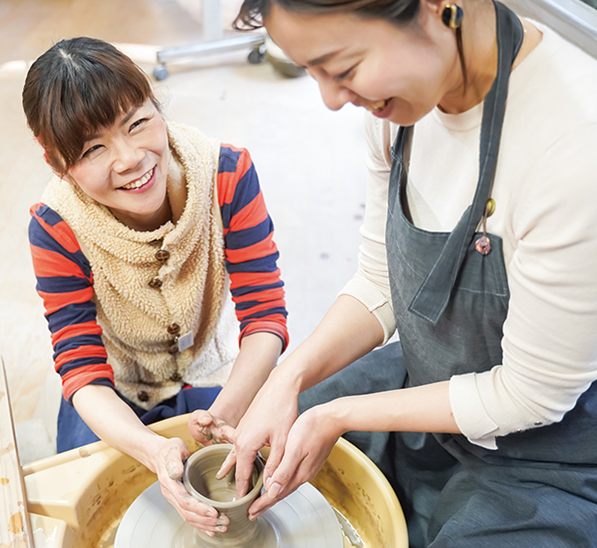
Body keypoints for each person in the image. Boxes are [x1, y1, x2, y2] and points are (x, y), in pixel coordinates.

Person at [221, 0, 597, 546]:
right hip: (432, 381)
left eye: (343, 69)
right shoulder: (401, 113)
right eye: (313, 74)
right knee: (264, 439)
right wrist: (288, 378)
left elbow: (530, 396)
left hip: (547, 450)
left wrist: (340, 414)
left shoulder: (573, 148)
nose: (330, 100)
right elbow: (380, 280)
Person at [22, 37, 289, 536]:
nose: (129, 158)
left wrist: (225, 410)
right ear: (56, 162)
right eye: (93, 148)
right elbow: (81, 370)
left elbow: (266, 317)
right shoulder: (56, 225)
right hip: (115, 390)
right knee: (94, 505)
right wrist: (149, 449)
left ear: (156, 106)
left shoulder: (226, 173)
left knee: (275, 456)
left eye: (138, 123)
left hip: (210, 376)